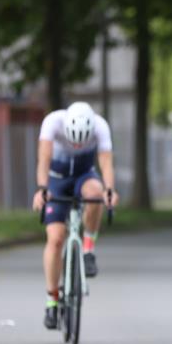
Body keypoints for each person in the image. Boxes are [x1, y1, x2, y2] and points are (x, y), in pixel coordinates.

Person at [32, 101, 118, 329]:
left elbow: (106, 163)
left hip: (83, 174)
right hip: (56, 178)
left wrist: (110, 190)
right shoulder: (52, 122)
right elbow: (43, 159)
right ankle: (52, 300)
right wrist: (42, 189)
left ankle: (88, 249)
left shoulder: (100, 126)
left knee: (96, 192)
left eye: (83, 142)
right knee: (56, 238)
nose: (78, 146)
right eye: (73, 141)